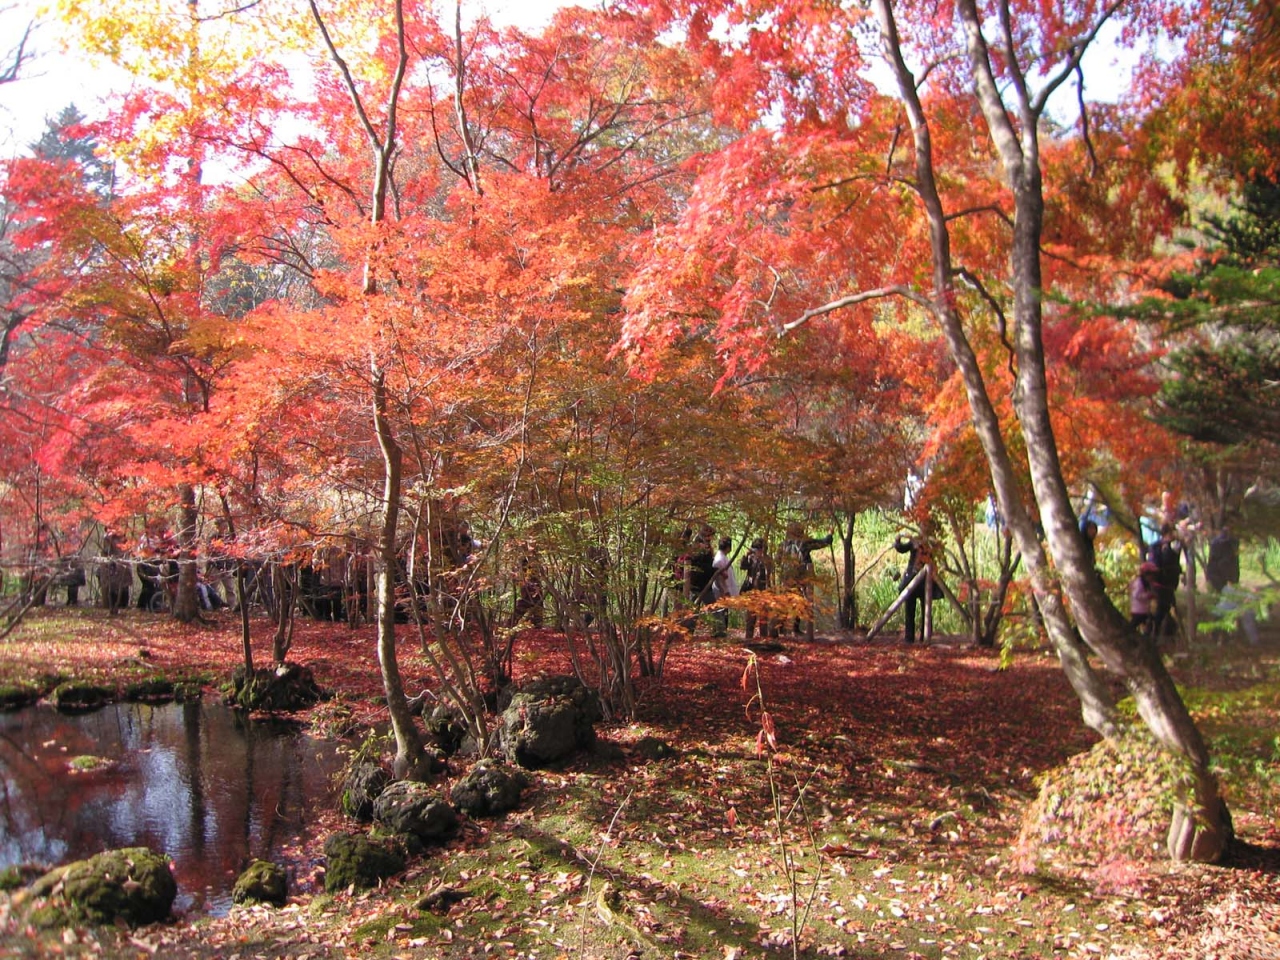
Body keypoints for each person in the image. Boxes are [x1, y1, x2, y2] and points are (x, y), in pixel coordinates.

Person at [780, 522, 833, 642]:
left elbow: (778, 560)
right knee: (801, 601)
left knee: (785, 601)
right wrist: (830, 533)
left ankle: (781, 628)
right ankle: (795, 629)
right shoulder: (804, 543)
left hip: (786, 577)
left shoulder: (782, 545)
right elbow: (823, 542)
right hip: (801, 577)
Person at [1147, 524, 1182, 640]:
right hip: (1160, 584)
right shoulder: (1157, 547)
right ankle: (1153, 635)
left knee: (1166, 609)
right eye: (1172, 533)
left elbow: (1175, 564)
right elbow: (1155, 565)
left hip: (1170, 584)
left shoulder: (1174, 546)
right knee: (1160, 611)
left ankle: (1165, 634)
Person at [893, 533, 929, 644]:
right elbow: (902, 549)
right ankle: (909, 637)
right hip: (911, 578)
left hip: (925, 580)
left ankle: (925, 637)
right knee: (909, 609)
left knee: (926, 610)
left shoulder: (931, 542)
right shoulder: (914, 541)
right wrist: (897, 541)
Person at [740, 538, 775, 641]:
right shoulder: (751, 558)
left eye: (758, 550)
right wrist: (746, 556)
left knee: (763, 618)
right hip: (752, 592)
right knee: (750, 618)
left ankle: (764, 640)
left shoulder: (767, 560)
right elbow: (743, 567)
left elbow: (770, 575)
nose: (757, 552)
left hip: (764, 591)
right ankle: (748, 639)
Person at [710, 536, 739, 637]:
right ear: (727, 547)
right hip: (721, 590)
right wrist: (724, 590)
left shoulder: (723, 557)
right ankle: (719, 634)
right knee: (721, 613)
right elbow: (719, 579)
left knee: (724, 612)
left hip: (725, 590)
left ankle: (722, 632)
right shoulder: (719, 560)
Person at [1205, 526, 1240, 593]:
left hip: (1217, 575)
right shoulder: (1228, 545)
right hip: (1220, 577)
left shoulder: (1217, 542)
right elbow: (1223, 564)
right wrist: (1229, 580)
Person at [1129, 562, 1159, 637]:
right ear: (1146, 574)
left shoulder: (1146, 583)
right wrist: (1148, 595)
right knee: (1133, 627)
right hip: (1138, 611)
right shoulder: (1139, 583)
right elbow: (1136, 595)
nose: (1153, 577)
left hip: (1144, 610)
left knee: (1151, 624)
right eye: (1151, 574)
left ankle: (1145, 638)